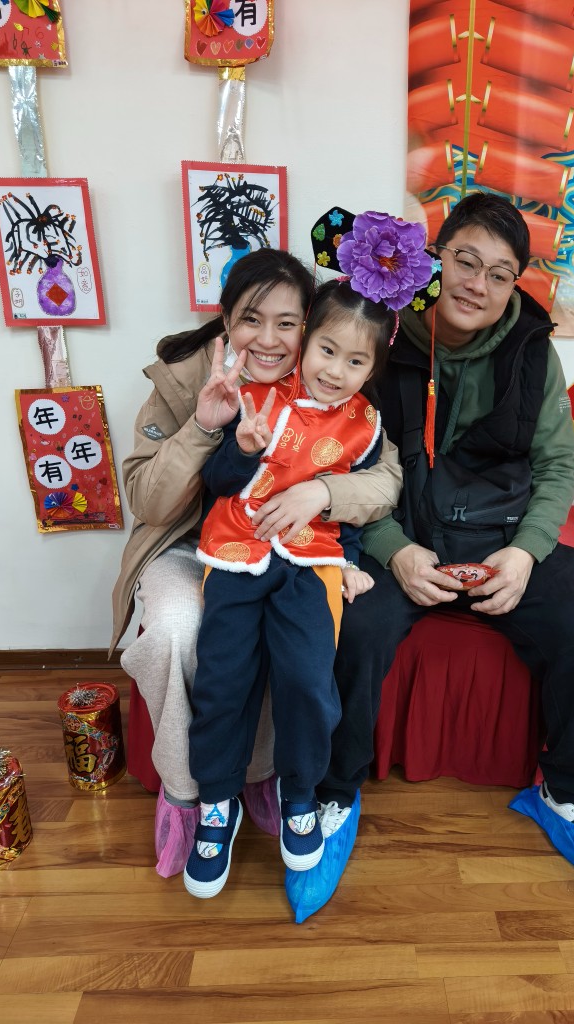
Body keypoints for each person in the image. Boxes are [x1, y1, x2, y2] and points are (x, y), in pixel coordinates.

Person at [288, 192, 574, 921]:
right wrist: (394, 551)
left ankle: (569, 797)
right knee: (354, 628)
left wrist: (525, 555)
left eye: (500, 273)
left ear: (515, 284)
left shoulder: (533, 352)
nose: (478, 284)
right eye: (465, 261)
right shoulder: (381, 336)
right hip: (400, 533)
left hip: (503, 536)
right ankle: (334, 794)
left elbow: (557, 466)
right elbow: (346, 460)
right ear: (435, 259)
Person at [109, 249, 403, 878]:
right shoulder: (186, 376)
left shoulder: (338, 397)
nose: (268, 340)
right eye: (251, 319)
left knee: (302, 662)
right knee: (182, 637)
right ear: (225, 318)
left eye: (287, 323)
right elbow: (152, 503)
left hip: (296, 548)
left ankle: (279, 785)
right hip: (189, 542)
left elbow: (379, 478)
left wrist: (325, 501)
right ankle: (194, 796)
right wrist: (204, 427)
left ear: (309, 326)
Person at [182, 277, 397, 899]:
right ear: (306, 339)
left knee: (308, 680)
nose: (335, 370)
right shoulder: (253, 396)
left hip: (310, 562)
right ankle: (217, 803)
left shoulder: (366, 426)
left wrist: (349, 559)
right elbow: (218, 483)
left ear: (373, 368)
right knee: (223, 679)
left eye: (355, 361)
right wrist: (243, 450)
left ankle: (299, 794)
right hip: (237, 553)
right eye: (327, 350)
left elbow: (353, 504)